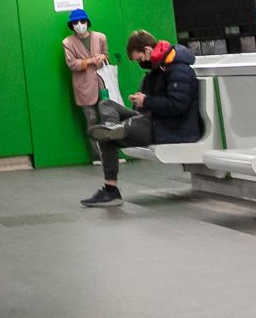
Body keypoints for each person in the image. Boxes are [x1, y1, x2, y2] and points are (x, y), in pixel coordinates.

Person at [82, 31, 203, 208]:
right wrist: (141, 102)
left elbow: (178, 106)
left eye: (139, 59)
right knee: (107, 105)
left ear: (147, 50)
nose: (140, 64)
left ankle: (111, 190)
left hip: (171, 127)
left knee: (107, 138)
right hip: (154, 119)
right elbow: (152, 102)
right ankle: (112, 126)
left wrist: (146, 101)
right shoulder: (157, 68)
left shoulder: (179, 69)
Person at [58, 9, 114, 150]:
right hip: (84, 87)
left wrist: (103, 57)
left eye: (82, 21)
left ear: (87, 22)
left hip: (103, 85)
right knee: (92, 120)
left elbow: (106, 55)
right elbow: (72, 64)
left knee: (108, 119)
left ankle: (112, 153)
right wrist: (90, 61)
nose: (80, 24)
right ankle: (98, 154)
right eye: (75, 22)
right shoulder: (68, 43)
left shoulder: (101, 37)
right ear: (71, 25)